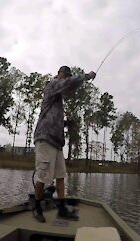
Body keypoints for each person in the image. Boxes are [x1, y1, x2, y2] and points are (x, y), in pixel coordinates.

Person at [32, 66, 96, 223]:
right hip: (45, 137)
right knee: (42, 176)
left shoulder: (58, 99)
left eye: (67, 76)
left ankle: (62, 210)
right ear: (59, 74)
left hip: (57, 142)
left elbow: (55, 117)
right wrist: (87, 76)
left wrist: (66, 123)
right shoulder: (52, 84)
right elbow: (68, 83)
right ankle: (37, 208)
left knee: (60, 176)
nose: (65, 78)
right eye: (64, 75)